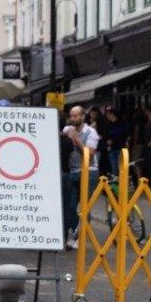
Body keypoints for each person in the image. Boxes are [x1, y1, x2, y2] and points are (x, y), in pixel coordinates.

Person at [63, 105, 98, 249]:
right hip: (72, 171)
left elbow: (90, 155)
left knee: (85, 207)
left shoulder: (91, 132)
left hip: (88, 172)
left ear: (83, 117)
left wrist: (77, 140)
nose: (73, 118)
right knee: (70, 207)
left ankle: (79, 237)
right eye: (71, 116)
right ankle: (75, 232)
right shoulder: (67, 130)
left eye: (76, 116)